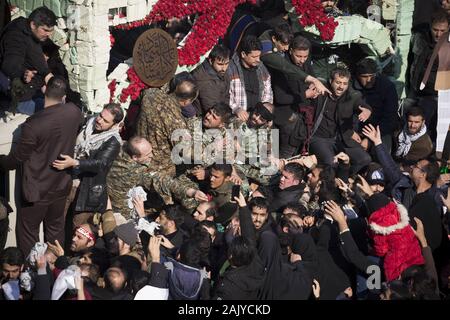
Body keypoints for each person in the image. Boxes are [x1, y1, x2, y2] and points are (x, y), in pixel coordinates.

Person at [0, 76, 82, 256]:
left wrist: (2, 161)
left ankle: (33, 270)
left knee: (28, 233)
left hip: (36, 191)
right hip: (60, 186)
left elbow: (18, 158)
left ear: (44, 90)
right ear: (64, 96)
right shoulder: (74, 112)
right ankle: (55, 265)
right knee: (55, 229)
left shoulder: (33, 124)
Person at [52, 103, 123, 227]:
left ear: (114, 125)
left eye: (105, 121)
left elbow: (101, 164)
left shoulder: (113, 141)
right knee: (57, 222)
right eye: (100, 115)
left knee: (78, 228)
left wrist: (74, 162)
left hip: (87, 189)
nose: (99, 120)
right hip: (68, 181)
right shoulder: (88, 123)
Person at [309, 67, 372, 174]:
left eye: (344, 83)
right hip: (319, 137)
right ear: (331, 81)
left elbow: (361, 104)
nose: (341, 87)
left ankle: (346, 180)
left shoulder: (352, 96)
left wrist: (367, 110)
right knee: (331, 163)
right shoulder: (321, 90)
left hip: (342, 138)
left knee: (364, 159)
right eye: (338, 82)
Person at [0, 6, 56, 114]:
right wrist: (24, 73)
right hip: (16, 91)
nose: (49, 34)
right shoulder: (15, 37)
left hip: (34, 84)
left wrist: (46, 74)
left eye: (51, 31)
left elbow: (32, 48)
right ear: (33, 24)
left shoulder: (29, 30)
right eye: (45, 30)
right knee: (49, 111)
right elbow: (10, 66)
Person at [406, 9, 449, 145]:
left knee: (433, 129)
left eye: (442, 31)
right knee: (414, 127)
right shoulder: (419, 38)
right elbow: (411, 60)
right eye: (435, 30)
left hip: (437, 94)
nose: (438, 34)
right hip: (416, 90)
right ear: (430, 27)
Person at [353, 57, 399, 152]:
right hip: (355, 131)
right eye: (365, 77)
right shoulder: (350, 87)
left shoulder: (387, 87)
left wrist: (370, 138)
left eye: (372, 75)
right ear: (358, 76)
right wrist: (351, 133)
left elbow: (390, 118)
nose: (369, 80)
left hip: (379, 131)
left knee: (383, 153)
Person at [228, 35, 273, 122]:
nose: (258, 60)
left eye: (259, 56)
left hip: (258, 119)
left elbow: (268, 93)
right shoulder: (231, 69)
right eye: (254, 57)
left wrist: (265, 114)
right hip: (237, 118)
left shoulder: (262, 69)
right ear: (243, 54)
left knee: (275, 134)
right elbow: (225, 94)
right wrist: (236, 109)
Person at [191, 44, 231, 115]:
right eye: (220, 64)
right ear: (210, 61)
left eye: (227, 63)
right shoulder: (203, 78)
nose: (224, 68)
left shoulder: (222, 72)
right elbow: (211, 107)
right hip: (206, 117)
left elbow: (226, 96)